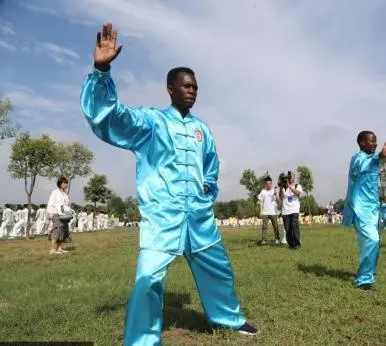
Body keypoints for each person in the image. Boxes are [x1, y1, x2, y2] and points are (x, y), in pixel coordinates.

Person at [80, 23, 257, 344]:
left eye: (196, 87)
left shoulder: (203, 129)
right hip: (163, 219)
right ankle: (143, 340)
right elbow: (110, 117)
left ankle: (230, 319)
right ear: (170, 88)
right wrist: (101, 70)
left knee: (219, 270)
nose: (192, 90)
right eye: (186, 85)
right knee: (148, 279)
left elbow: (211, 165)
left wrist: (208, 189)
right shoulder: (151, 122)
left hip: (199, 219)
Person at [342, 131, 386, 290]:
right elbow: (362, 166)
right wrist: (380, 155)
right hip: (360, 208)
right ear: (361, 143)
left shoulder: (373, 159)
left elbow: (372, 164)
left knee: (373, 242)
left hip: (373, 208)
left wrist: (380, 156)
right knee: (372, 240)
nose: (375, 144)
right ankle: (364, 279)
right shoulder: (357, 158)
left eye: (376, 141)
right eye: (371, 142)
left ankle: (368, 272)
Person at [47, 177, 74, 254]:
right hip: (56, 214)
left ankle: (59, 248)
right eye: (64, 183)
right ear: (60, 184)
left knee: (63, 231)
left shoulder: (65, 194)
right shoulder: (55, 192)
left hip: (65, 215)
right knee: (56, 231)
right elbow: (53, 204)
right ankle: (52, 249)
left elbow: (67, 204)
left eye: (66, 183)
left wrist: (70, 211)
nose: (66, 185)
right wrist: (54, 214)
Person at [280, 172, 303, 249]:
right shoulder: (283, 187)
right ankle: (291, 244)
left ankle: (297, 244)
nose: (289, 179)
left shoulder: (297, 186)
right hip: (285, 211)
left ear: (294, 178)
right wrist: (281, 187)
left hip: (294, 210)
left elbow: (297, 193)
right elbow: (281, 198)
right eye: (288, 178)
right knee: (287, 228)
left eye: (290, 177)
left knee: (294, 225)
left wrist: (289, 186)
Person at [257, 176, 282, 245]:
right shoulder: (263, 191)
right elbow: (261, 201)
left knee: (275, 226)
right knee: (264, 227)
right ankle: (264, 240)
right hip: (265, 212)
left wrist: (276, 194)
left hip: (273, 212)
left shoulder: (275, 190)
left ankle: (277, 239)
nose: (269, 185)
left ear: (272, 183)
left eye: (270, 183)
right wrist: (261, 211)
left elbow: (279, 201)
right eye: (267, 183)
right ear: (265, 184)